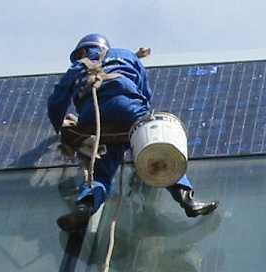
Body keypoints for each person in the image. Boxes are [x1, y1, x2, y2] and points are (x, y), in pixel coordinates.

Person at [47, 34, 217, 232]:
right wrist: (140, 125)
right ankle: (188, 201)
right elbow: (145, 93)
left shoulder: (79, 66)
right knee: (158, 152)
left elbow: (57, 101)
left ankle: (85, 207)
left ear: (83, 51)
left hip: (94, 119)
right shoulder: (127, 55)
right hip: (128, 109)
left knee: (101, 173)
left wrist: (59, 128)